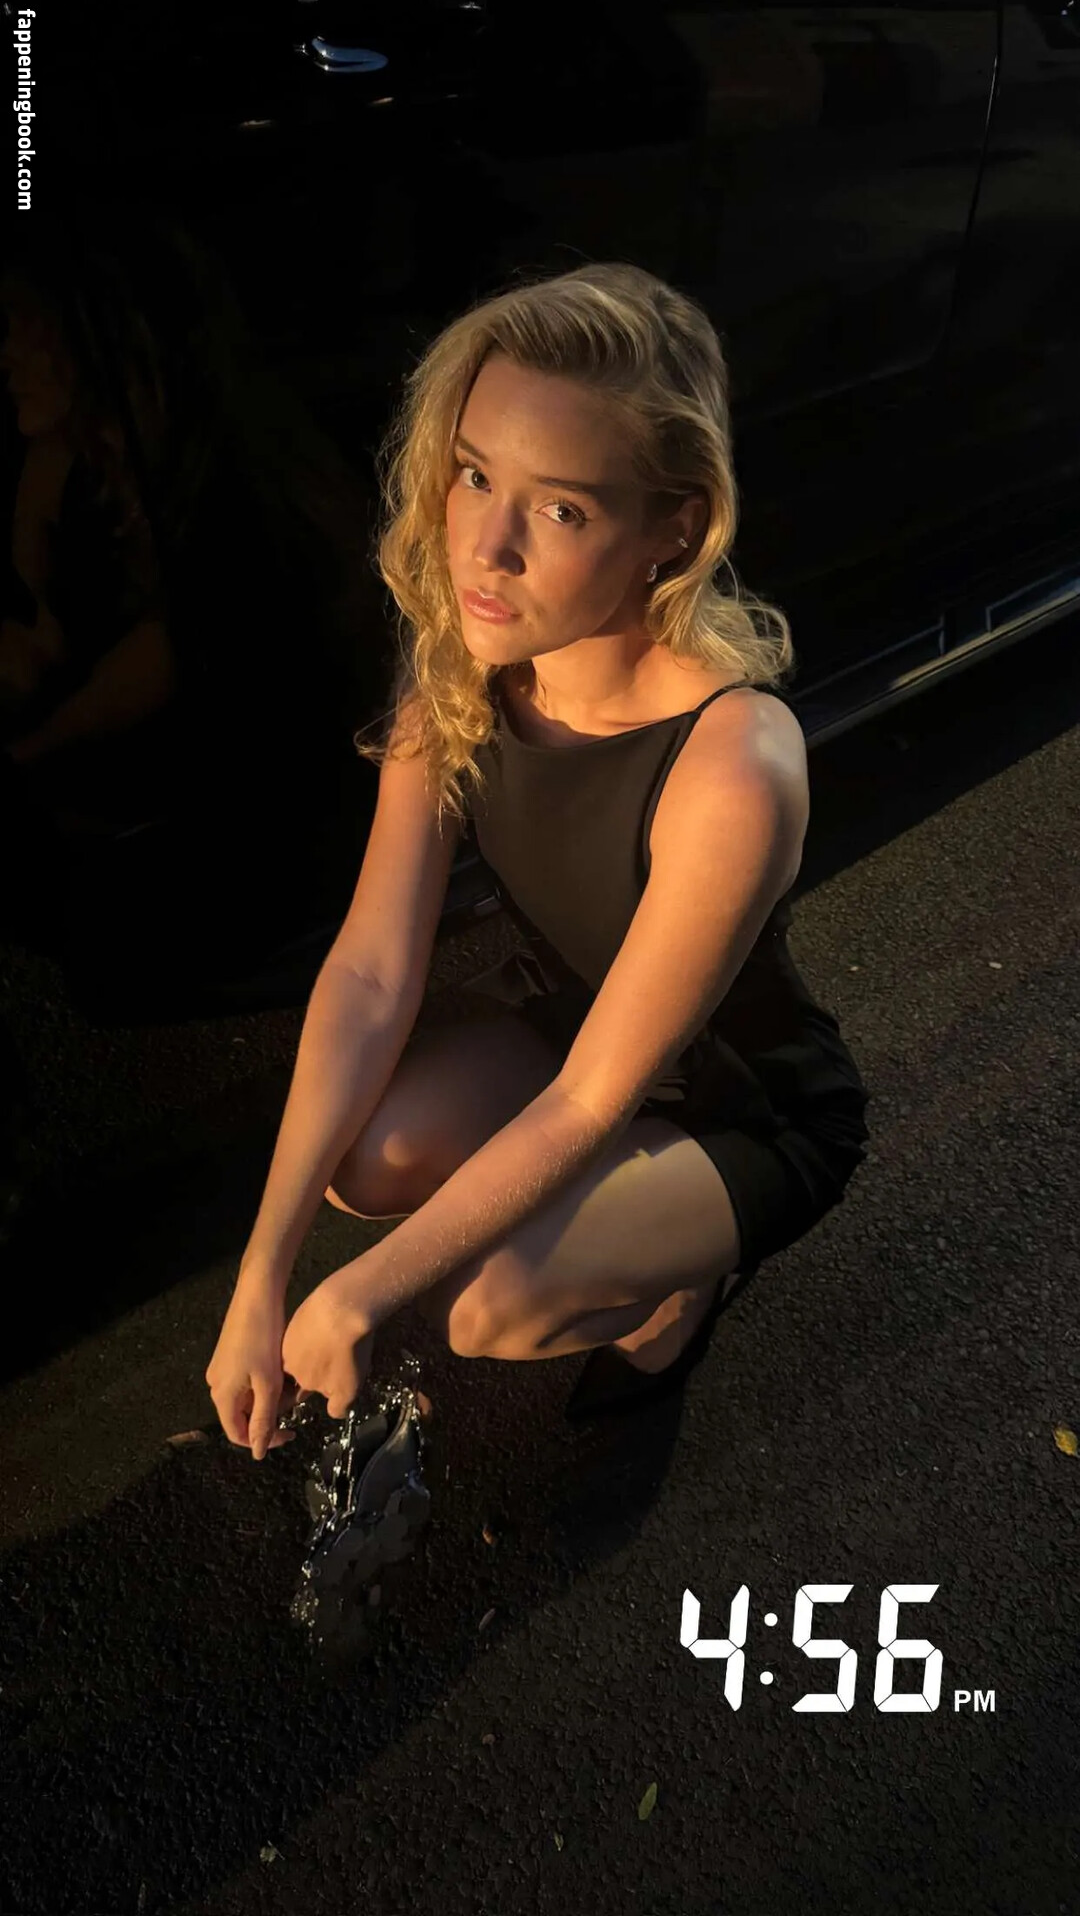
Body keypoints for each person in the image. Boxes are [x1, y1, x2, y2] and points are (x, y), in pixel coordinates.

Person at [206, 260, 871, 1458]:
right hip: (566, 1028)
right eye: (474, 476)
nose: (487, 549)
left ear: (673, 528)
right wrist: (264, 1273)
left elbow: (593, 1098)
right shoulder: (469, 656)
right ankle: (604, 1224)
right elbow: (371, 970)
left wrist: (358, 1295)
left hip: (738, 1103)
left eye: (560, 510)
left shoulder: (734, 762)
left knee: (488, 1307)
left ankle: (683, 1280)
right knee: (361, 1162)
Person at [0, 203, 381, 1006]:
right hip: (169, 792)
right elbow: (39, 635)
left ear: (116, 341)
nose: (8, 356)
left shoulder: (236, 506)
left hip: (269, 842)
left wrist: (23, 750)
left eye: (30, 331)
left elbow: (145, 676)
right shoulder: (81, 461)